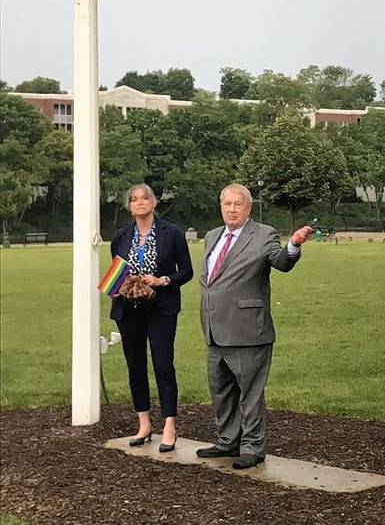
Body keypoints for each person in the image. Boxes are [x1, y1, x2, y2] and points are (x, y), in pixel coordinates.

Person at [196, 184, 313, 469]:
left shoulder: (263, 234)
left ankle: (252, 447)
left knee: (250, 393)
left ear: (248, 207)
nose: (232, 209)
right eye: (227, 204)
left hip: (248, 330)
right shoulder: (212, 236)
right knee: (221, 391)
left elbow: (281, 262)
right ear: (221, 206)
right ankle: (228, 441)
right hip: (214, 328)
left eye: (238, 204)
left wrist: (294, 245)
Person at [110, 183, 194, 453]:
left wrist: (162, 280)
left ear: (154, 203)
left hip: (161, 309)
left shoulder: (172, 234)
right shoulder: (121, 236)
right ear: (130, 206)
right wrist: (117, 288)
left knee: (162, 365)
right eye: (134, 200)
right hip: (129, 310)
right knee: (135, 366)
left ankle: (169, 424)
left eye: (145, 198)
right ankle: (143, 422)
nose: (140, 203)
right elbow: (116, 271)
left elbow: (187, 271)